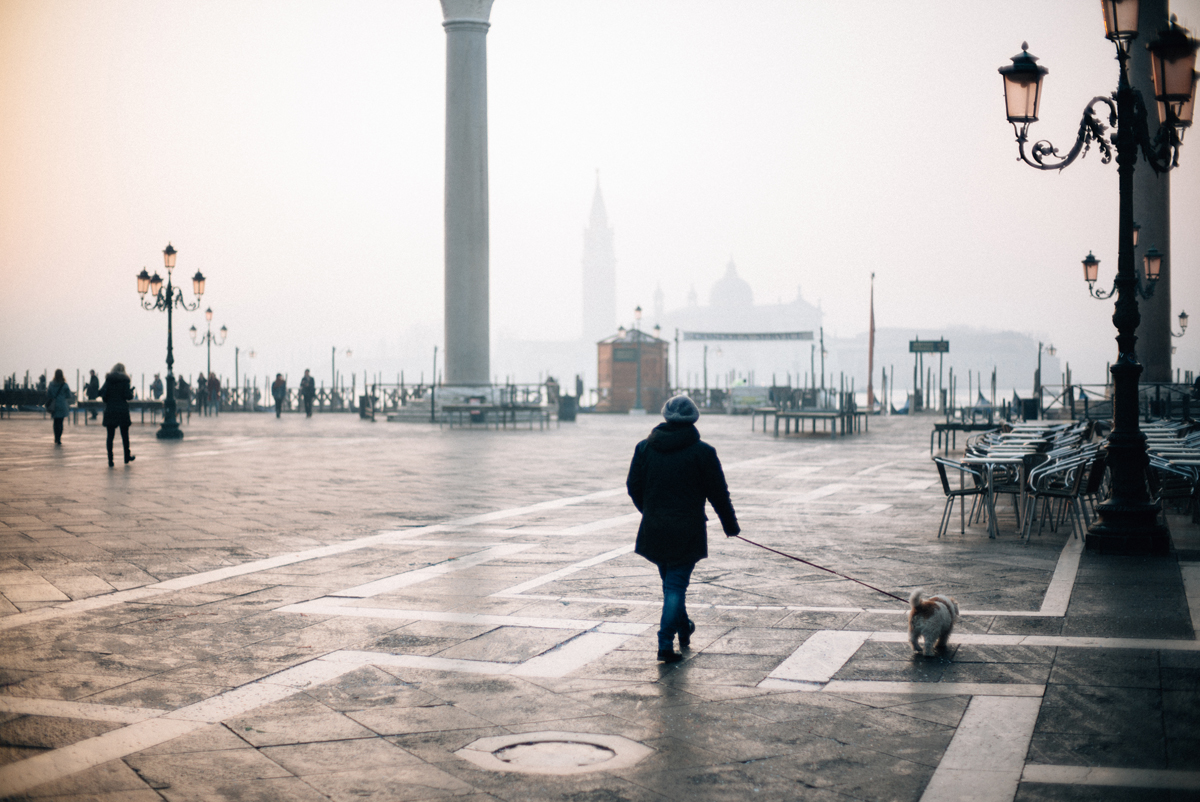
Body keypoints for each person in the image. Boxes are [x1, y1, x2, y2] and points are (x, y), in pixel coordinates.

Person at [626, 395, 739, 663]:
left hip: (655, 527)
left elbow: (633, 486)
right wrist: (730, 525)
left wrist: (649, 510)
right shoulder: (703, 452)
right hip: (687, 529)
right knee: (675, 587)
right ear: (693, 419)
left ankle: (684, 627)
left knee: (671, 585)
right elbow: (718, 493)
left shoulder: (644, 448)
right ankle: (665, 642)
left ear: (665, 415)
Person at [99, 363, 135, 467]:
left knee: (110, 436)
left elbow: (102, 393)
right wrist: (131, 392)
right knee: (125, 436)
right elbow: (128, 396)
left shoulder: (108, 380)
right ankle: (126, 457)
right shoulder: (125, 381)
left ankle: (110, 459)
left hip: (110, 410)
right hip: (122, 410)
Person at [45, 369, 72, 445]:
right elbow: (69, 395)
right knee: (60, 422)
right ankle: (59, 438)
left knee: (55, 422)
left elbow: (48, 394)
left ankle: (56, 437)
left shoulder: (51, 384)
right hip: (62, 405)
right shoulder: (64, 385)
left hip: (54, 405)